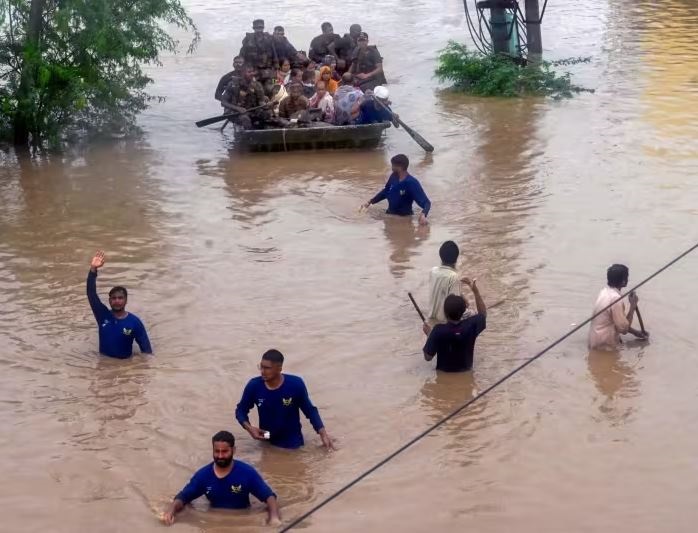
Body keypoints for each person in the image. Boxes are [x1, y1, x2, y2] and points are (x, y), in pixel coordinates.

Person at [161, 431, 281, 527]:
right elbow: (183, 498)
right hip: (213, 522)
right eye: (216, 451)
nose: (220, 456)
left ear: (233, 450)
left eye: (224, 451)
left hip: (242, 521)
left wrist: (274, 518)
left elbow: (269, 497)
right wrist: (170, 511)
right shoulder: (203, 476)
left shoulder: (247, 473)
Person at [235, 349, 335, 450]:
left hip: (292, 441)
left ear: (279, 368)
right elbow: (241, 410)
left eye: (267, 368)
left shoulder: (295, 384)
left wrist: (323, 434)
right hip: (266, 438)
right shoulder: (254, 386)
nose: (262, 371)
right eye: (261, 367)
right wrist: (249, 428)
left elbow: (310, 410)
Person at [86, 250, 152, 359]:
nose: (117, 301)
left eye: (120, 298)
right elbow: (91, 294)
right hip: (103, 365)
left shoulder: (135, 322)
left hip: (125, 368)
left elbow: (147, 352)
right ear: (110, 301)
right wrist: (93, 269)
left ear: (126, 300)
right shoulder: (103, 316)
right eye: (114, 298)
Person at [423, 284, 487, 372]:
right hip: (466, 373)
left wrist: (429, 336)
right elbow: (483, 315)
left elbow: (428, 357)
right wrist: (475, 291)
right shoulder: (471, 325)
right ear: (464, 311)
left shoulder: (438, 331)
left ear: (445, 313)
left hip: (443, 379)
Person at [588, 264, 648, 351]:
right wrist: (632, 306)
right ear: (623, 281)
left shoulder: (604, 292)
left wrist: (637, 333)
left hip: (594, 341)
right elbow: (623, 329)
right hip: (605, 345)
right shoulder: (615, 299)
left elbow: (618, 323)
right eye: (627, 277)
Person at [361, 154, 431, 225]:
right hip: (389, 215)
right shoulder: (393, 176)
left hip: (404, 220)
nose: (391, 167)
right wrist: (370, 202)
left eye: (393, 165)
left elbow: (426, 203)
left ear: (400, 167)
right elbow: (385, 192)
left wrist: (423, 214)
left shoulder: (411, 183)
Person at [425, 241, 472, 331]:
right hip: (445, 323)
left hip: (431, 317)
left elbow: (442, 289)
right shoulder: (453, 277)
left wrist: (462, 296)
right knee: (473, 314)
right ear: (456, 259)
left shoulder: (433, 271)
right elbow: (455, 307)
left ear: (440, 256)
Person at [221, 64, 270, 129]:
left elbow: (261, 102)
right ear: (242, 73)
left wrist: (267, 106)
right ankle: (249, 136)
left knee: (267, 114)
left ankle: (262, 130)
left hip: (251, 111)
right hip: (234, 113)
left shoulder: (257, 85)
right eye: (249, 72)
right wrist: (238, 108)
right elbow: (223, 102)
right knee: (245, 119)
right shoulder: (232, 85)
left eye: (253, 71)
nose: (252, 74)